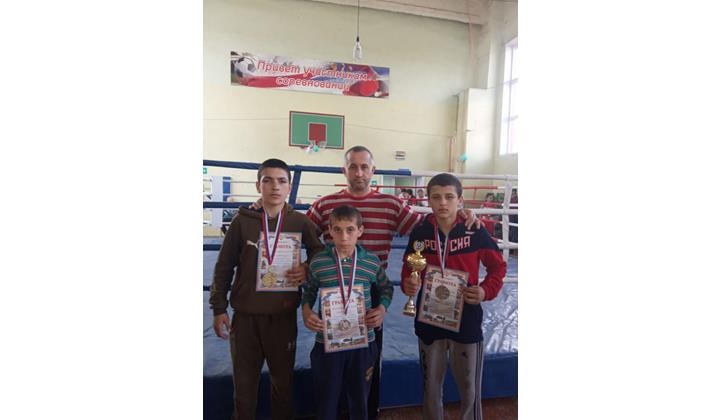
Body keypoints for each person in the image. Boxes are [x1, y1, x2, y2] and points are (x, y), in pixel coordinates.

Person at [306, 145, 483, 420]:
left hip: (373, 290)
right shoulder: (325, 205)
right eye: (353, 166)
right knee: (332, 361)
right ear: (344, 170)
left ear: (373, 171)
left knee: (367, 362)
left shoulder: (390, 204)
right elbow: (302, 231)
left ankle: (367, 414)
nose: (359, 172)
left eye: (364, 167)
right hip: (333, 290)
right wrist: (306, 261)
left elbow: (427, 226)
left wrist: (459, 213)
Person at [209, 158, 325, 420]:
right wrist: (218, 308)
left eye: (281, 181)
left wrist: (307, 267)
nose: (275, 186)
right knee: (243, 388)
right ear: (257, 185)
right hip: (245, 319)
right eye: (268, 180)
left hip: (282, 318)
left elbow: (319, 252)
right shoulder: (242, 221)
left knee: (283, 386)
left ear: (289, 187)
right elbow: (224, 266)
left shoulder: (299, 221)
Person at [400, 173, 507, 420]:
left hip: (466, 317)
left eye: (449, 197)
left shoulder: (474, 230)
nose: (443, 203)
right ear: (428, 200)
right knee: (430, 387)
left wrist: (485, 290)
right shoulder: (421, 232)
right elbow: (409, 267)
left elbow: (498, 267)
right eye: (436, 197)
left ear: (460, 199)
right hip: (429, 317)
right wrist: (409, 284)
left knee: (470, 389)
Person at [301, 205, 394, 420]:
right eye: (338, 230)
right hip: (327, 342)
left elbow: (386, 288)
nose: (344, 237)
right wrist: (306, 311)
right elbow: (309, 290)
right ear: (330, 231)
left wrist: (382, 308)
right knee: (326, 400)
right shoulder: (319, 262)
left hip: (363, 342)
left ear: (360, 231)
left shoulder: (370, 261)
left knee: (360, 400)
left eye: (350, 229)